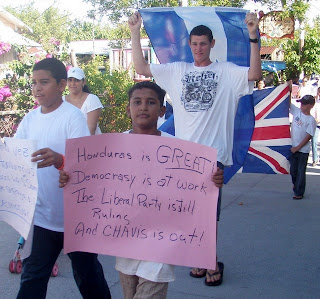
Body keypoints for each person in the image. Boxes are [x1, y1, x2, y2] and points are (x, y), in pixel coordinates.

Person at [128, 11, 262, 286]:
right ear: (189, 45)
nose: (199, 48)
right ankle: (201, 259)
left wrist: (253, 36)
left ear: (212, 44)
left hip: (212, 157)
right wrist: (134, 31)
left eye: (203, 43)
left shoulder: (226, 72)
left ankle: (211, 263)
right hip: (182, 157)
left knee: (206, 216)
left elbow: (255, 73)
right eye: (194, 43)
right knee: (187, 212)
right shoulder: (177, 71)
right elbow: (142, 68)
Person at [59, 81, 224, 298]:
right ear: (128, 108)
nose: (143, 107)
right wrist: (69, 178)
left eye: (151, 102)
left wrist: (213, 179)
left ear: (162, 110)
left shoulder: (179, 151)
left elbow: (195, 187)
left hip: (161, 246)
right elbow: (92, 180)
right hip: (125, 246)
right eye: (137, 102)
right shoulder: (112, 148)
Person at [15, 58, 111, 299]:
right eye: (34, 83)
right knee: (32, 278)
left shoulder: (73, 118)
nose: (37, 88)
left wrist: (60, 160)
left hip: (75, 218)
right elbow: (16, 157)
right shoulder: (30, 119)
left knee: (88, 276)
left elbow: (86, 165)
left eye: (44, 82)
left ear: (60, 85)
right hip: (42, 218)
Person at [290, 94, 317, 200]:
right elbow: (288, 104)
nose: (302, 106)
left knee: (301, 171)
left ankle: (299, 192)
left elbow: (308, 136)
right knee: (293, 170)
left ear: (311, 105)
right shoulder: (297, 112)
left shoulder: (311, 120)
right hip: (293, 147)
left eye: (304, 104)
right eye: (301, 103)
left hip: (303, 150)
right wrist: (289, 88)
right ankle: (296, 184)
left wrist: (298, 147)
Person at [64, 67, 103, 135]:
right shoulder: (61, 101)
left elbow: (91, 129)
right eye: (70, 80)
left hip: (89, 143)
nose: (72, 83)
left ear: (83, 82)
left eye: (76, 80)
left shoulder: (92, 99)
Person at [310, 87, 320, 166]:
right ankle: (315, 159)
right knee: (314, 142)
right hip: (316, 124)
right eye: (318, 92)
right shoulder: (316, 102)